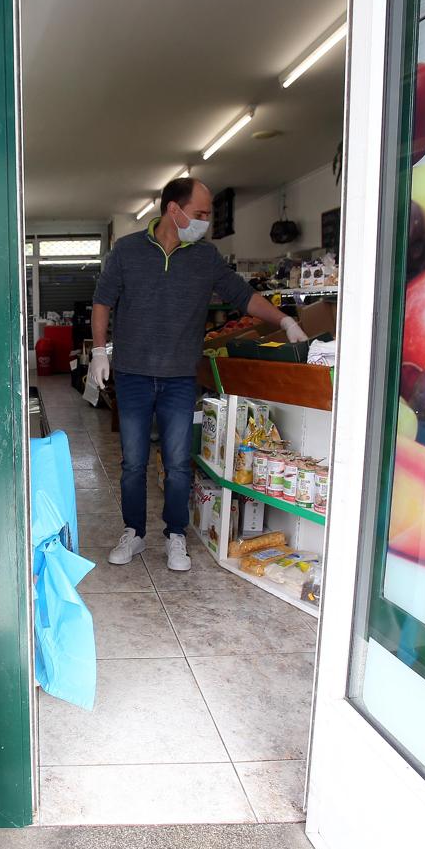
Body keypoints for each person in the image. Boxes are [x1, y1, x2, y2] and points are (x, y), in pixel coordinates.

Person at [88, 177, 308, 571]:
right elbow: (103, 301)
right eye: (202, 213)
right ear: (175, 210)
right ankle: (133, 533)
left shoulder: (205, 258)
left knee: (176, 464)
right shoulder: (127, 251)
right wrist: (100, 351)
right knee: (134, 463)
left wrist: (285, 320)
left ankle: (175, 536)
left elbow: (244, 297)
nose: (206, 221)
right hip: (133, 375)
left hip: (178, 377)